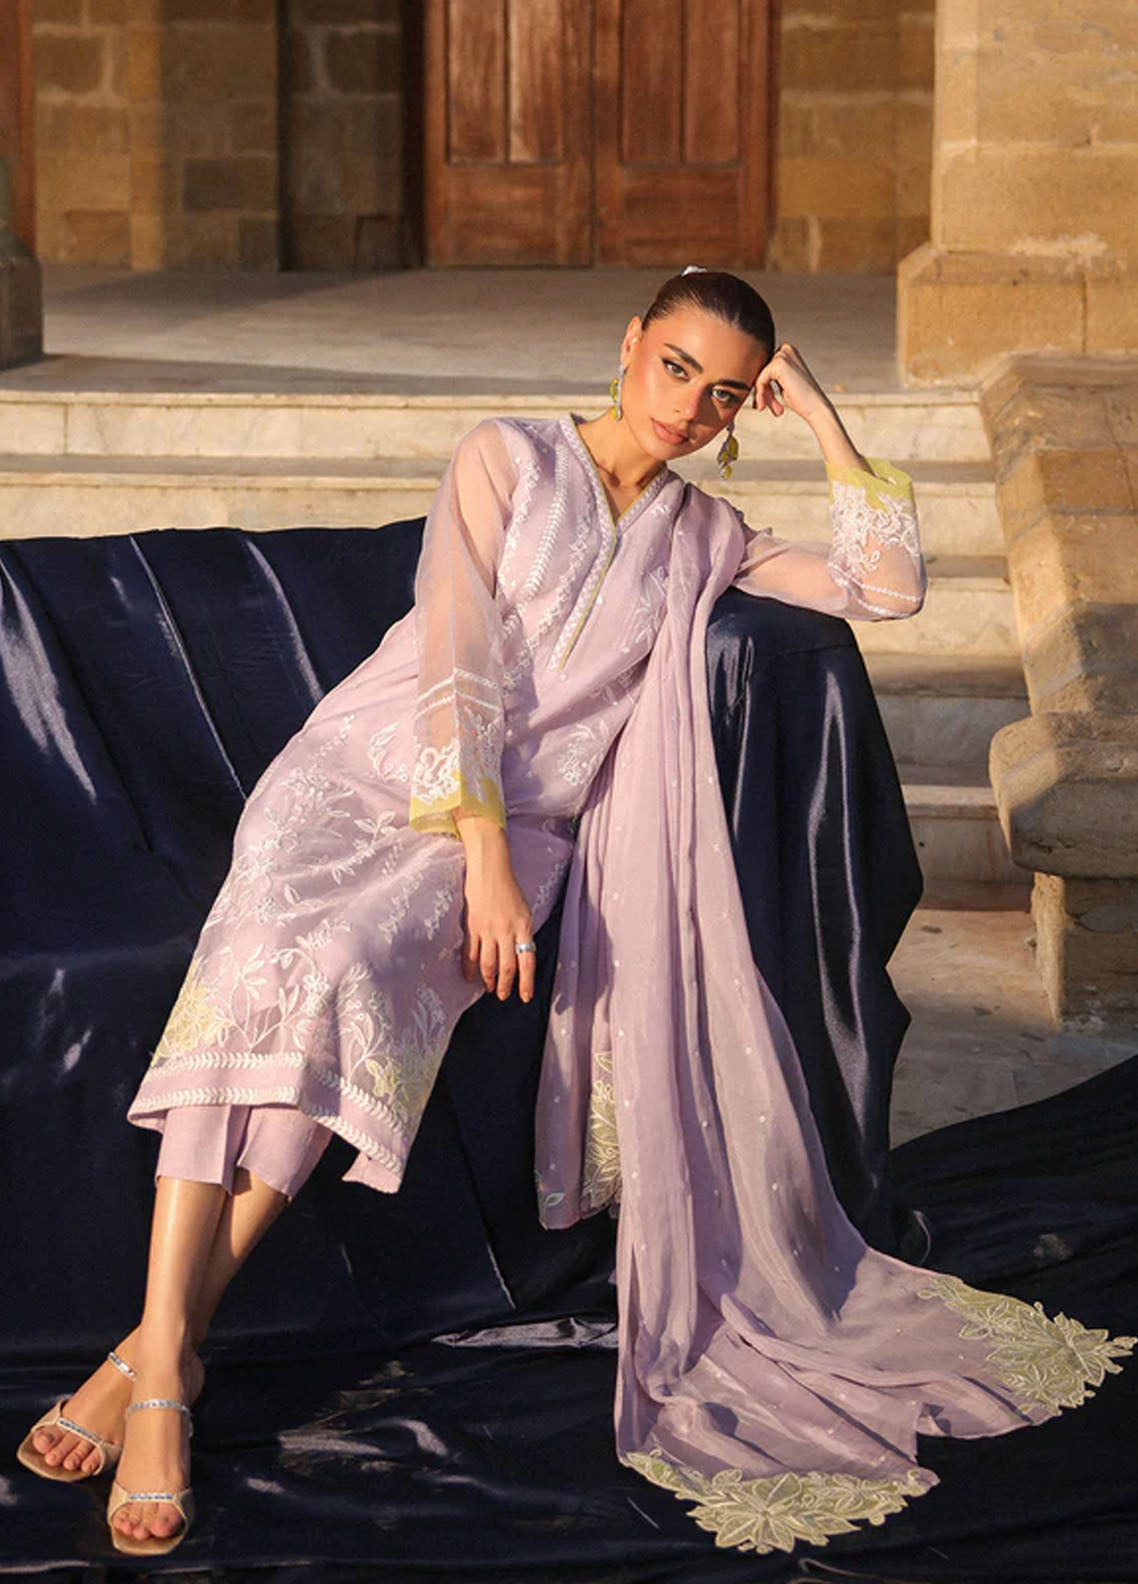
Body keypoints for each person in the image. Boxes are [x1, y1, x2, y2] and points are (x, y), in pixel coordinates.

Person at [16, 269, 1130, 1560]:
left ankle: (152, 1353)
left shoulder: (706, 536)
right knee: (272, 953)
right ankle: (165, 1363)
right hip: (370, 780)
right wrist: (481, 851)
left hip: (523, 832)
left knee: (342, 974)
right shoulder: (505, 457)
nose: (689, 409)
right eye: (676, 368)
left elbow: (884, 590)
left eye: (725, 396)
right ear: (630, 344)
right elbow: (455, 650)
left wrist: (824, 420)